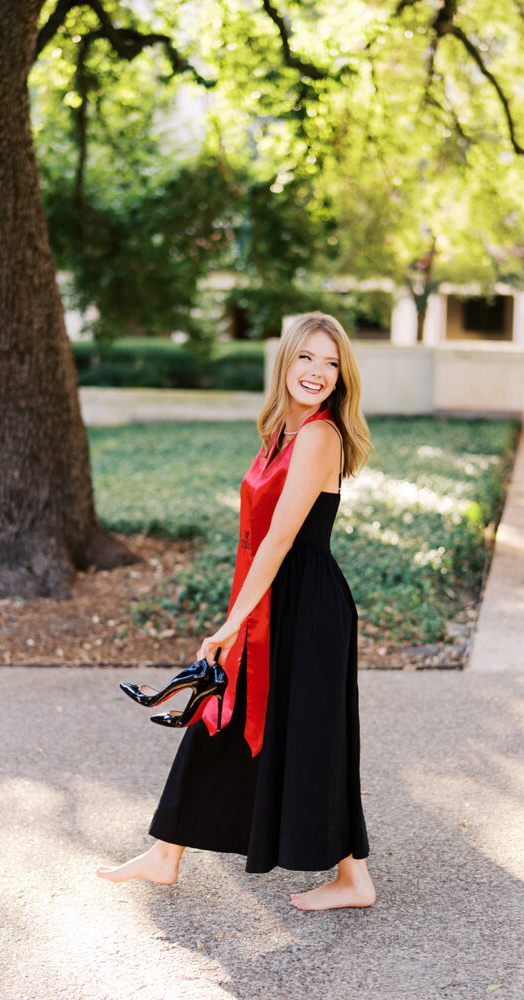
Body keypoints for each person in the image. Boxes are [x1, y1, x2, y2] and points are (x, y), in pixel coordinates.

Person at [97, 312, 376, 911]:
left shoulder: (320, 436)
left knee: (313, 737)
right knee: (219, 713)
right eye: (307, 358)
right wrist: (240, 614)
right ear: (286, 362)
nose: (318, 373)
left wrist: (230, 623)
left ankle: (354, 879)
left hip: (305, 605)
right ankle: (166, 851)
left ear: (341, 375)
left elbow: (279, 539)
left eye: (331, 363)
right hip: (269, 594)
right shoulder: (280, 429)